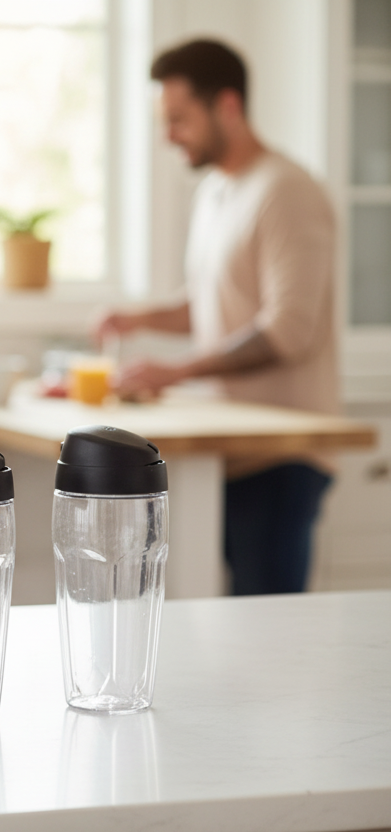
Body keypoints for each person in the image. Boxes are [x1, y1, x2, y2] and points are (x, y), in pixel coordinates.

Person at [95, 39, 339, 596]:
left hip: (281, 454)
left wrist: (174, 372)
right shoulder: (215, 192)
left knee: (267, 636)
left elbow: (287, 330)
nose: (168, 136)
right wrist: (140, 318)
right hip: (224, 451)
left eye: (180, 119)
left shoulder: (287, 191)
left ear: (226, 105)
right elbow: (213, 303)